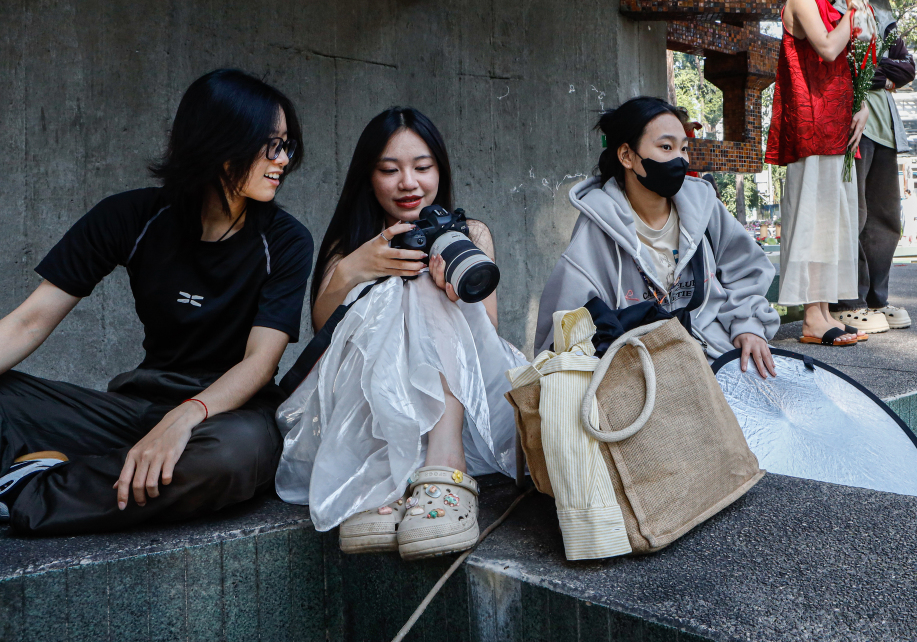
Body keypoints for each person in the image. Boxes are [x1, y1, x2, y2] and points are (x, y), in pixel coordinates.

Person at [0, 69, 313, 535]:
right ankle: (95, 468)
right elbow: (27, 323)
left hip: (226, 418)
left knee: (231, 458)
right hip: (136, 409)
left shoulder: (286, 241)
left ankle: (24, 493)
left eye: (286, 145)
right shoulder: (130, 216)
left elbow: (260, 364)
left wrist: (185, 417)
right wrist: (163, 421)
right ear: (220, 141)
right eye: (270, 143)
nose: (282, 160)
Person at [275, 108, 523, 559]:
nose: (408, 182)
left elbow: (483, 336)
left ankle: (445, 461)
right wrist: (357, 268)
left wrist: (445, 282)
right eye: (389, 170)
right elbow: (324, 334)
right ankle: (384, 469)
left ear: (439, 171)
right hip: (364, 413)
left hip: (465, 408)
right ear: (368, 177)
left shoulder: (472, 233)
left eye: (422, 167)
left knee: (429, 288)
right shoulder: (351, 241)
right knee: (391, 296)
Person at [536, 96, 779, 376]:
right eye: (666, 147)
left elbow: (746, 270)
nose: (680, 158)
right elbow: (566, 327)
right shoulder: (597, 229)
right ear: (627, 156)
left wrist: (748, 326)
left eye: (683, 148)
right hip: (642, 374)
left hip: (718, 359)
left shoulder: (705, 206)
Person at [764, 0, 862, 346]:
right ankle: (811, 317)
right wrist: (856, 12)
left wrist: (858, 108)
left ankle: (822, 313)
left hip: (833, 126)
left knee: (829, 221)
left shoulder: (825, 0)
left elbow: (842, 62)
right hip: (812, 125)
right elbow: (826, 47)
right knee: (812, 218)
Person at [828, 0, 916, 335]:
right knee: (854, 215)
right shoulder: (832, 8)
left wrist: (875, 69)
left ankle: (878, 299)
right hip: (851, 126)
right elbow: (842, 61)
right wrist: (881, 71)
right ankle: (848, 301)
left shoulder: (883, 13)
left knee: (886, 217)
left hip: (885, 128)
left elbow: (908, 67)